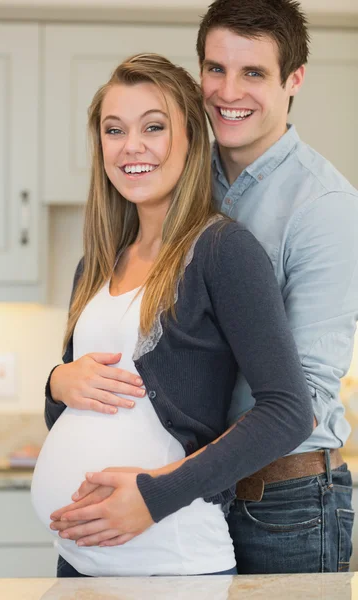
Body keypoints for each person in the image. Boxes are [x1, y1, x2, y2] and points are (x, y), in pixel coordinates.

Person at [46, 0, 358, 575]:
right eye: (215, 69)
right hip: (186, 493)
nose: (228, 91)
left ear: (294, 80)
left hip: (281, 498)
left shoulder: (324, 208)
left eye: (254, 73)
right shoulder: (177, 174)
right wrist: (59, 381)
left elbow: (301, 404)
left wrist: (163, 488)